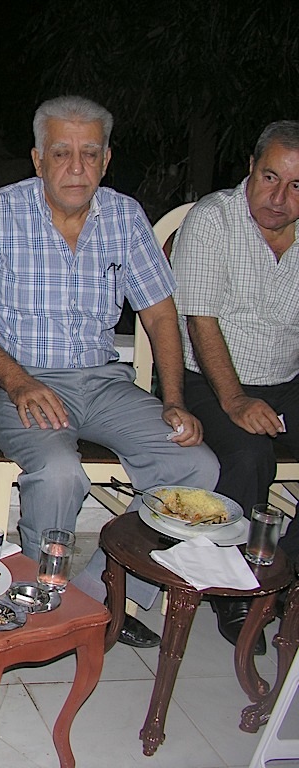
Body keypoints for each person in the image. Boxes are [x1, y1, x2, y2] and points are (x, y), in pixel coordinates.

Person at [0, 95, 219, 648]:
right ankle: (43, 601)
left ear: (106, 160)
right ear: (37, 159)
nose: (76, 167)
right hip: (14, 378)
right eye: (61, 153)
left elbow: (160, 313)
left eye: (89, 154)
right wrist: (18, 381)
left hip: (103, 381)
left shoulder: (124, 216)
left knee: (195, 465)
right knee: (60, 470)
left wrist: (174, 399)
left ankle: (105, 592)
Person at [172, 119, 299, 650]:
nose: (279, 198)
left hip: (286, 380)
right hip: (209, 377)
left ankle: (286, 577)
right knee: (248, 455)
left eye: (296, 186)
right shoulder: (213, 220)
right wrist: (236, 398)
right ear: (250, 167)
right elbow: (200, 323)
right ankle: (234, 589)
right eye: (270, 178)